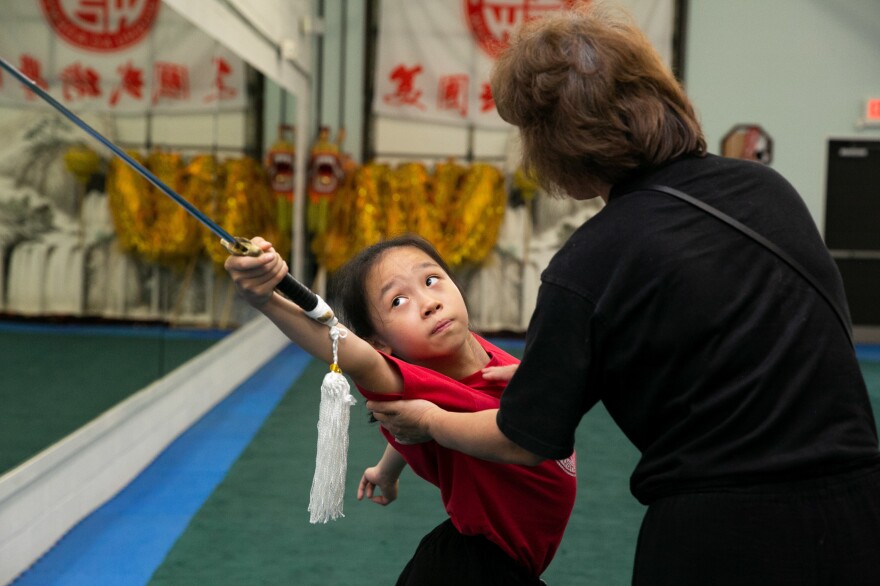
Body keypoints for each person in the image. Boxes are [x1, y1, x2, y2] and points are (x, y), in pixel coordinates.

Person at [367, 2, 880, 584]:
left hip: (720, 535)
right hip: (860, 515)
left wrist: (428, 422)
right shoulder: (767, 189)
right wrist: (565, 373)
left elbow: (522, 440)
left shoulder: (590, 261)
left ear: (555, 141)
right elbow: (726, 339)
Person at [224, 234, 576, 585]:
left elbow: (415, 421)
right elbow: (348, 349)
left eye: (431, 280)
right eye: (398, 301)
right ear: (380, 343)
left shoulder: (476, 351)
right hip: (476, 570)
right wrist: (264, 299)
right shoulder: (403, 381)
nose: (428, 303)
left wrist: (387, 469)